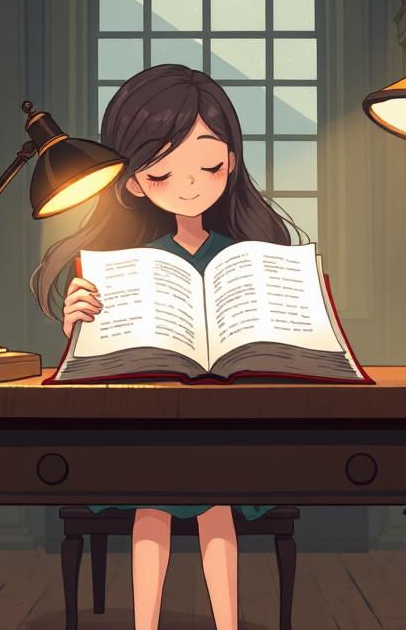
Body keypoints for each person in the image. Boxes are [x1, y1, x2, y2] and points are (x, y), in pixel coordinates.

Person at [30, 63, 305, 630]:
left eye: (208, 165)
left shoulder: (245, 254)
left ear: (230, 161)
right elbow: (95, 359)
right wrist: (77, 323)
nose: (189, 184)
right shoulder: (123, 260)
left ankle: (227, 623)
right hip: (147, 417)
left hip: (225, 419)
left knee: (218, 507)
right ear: (132, 180)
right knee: (149, 503)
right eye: (162, 174)